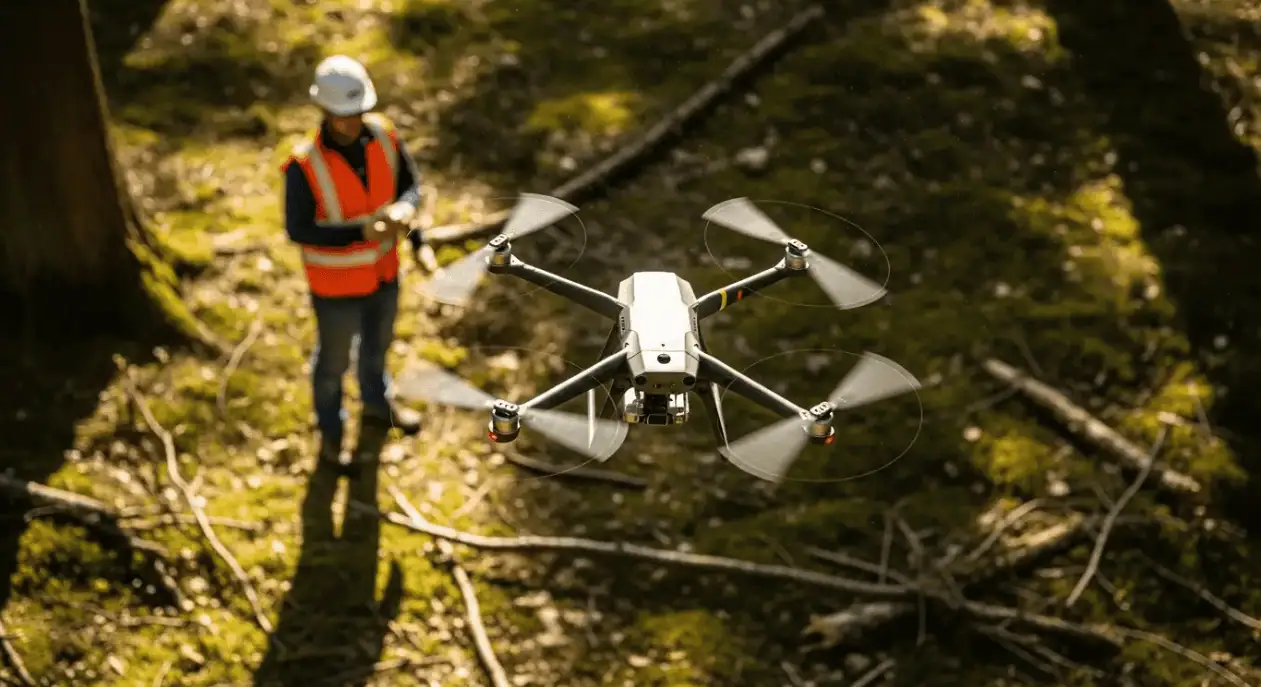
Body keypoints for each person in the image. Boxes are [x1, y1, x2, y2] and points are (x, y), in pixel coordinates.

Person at [282, 54, 434, 465]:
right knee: (332, 365)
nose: (350, 122)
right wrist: (360, 231)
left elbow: (411, 184)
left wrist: (406, 211)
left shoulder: (385, 136)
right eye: (341, 115)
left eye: (357, 112)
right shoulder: (302, 166)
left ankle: (377, 406)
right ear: (324, 111)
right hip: (335, 289)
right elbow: (298, 229)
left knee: (377, 350)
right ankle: (331, 435)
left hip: (384, 275)